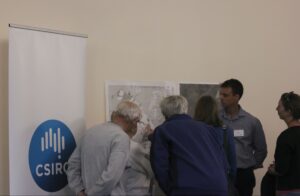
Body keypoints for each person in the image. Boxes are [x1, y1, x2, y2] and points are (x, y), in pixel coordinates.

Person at [150, 95, 228, 196]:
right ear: (185, 109)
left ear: (164, 113)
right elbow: (223, 162)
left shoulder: (163, 130)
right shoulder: (209, 130)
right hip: (218, 187)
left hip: (186, 188)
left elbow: (159, 165)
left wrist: (171, 190)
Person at [66, 100, 142, 196]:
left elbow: (72, 165)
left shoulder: (90, 132)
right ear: (132, 120)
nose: (136, 125)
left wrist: (79, 191)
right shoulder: (121, 137)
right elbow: (112, 176)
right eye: (137, 121)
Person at [219, 79, 267, 196]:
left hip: (244, 175)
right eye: (220, 94)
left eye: (225, 95)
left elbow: (261, 149)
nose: (221, 98)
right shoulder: (215, 119)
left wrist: (250, 165)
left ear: (236, 97)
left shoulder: (252, 122)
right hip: (221, 173)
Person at [194, 95, 237, 196]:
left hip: (197, 181)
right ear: (215, 110)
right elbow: (232, 160)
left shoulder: (192, 132)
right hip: (220, 181)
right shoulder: (225, 131)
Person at [266, 91, 300, 195]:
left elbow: (281, 168)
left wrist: (272, 169)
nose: (276, 109)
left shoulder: (285, 137)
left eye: (279, 106)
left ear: (289, 111)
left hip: (289, 190)